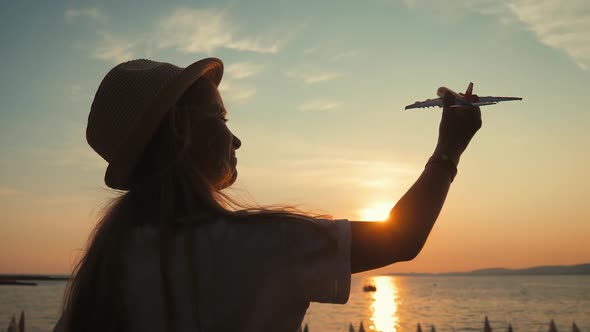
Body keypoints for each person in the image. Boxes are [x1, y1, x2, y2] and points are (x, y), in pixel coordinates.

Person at [53, 58, 481, 332]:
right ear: (181, 129)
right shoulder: (260, 245)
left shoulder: (106, 267)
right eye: (221, 117)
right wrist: (449, 150)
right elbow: (401, 239)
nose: (234, 139)